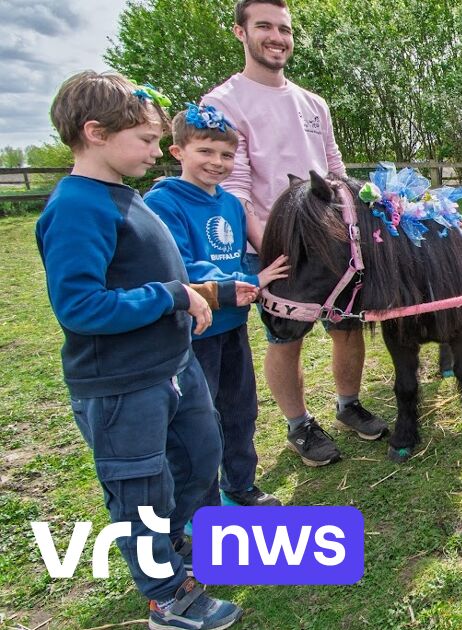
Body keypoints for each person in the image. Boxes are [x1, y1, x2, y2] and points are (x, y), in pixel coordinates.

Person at [36, 71, 242, 629]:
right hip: (124, 385)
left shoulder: (123, 195)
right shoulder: (77, 207)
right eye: (147, 141)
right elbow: (80, 307)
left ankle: (174, 546)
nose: (158, 152)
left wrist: (188, 293)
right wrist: (171, 295)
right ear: (96, 132)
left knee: (201, 458)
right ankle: (167, 597)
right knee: (141, 490)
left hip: (172, 366)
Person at [203, 0, 386, 467]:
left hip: (333, 245)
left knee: (348, 328)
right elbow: (236, 191)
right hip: (275, 249)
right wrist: (274, 252)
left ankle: (348, 405)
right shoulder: (223, 104)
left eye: (284, 29)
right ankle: (299, 424)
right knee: (287, 338)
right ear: (240, 33)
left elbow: (336, 171)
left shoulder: (312, 103)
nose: (276, 37)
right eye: (264, 26)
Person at [145, 104, 290, 508]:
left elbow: (240, 258)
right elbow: (177, 264)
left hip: (232, 327)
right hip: (195, 331)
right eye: (205, 152)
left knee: (240, 411)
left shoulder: (231, 205)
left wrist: (260, 272)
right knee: (198, 422)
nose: (217, 162)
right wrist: (241, 284)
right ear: (178, 153)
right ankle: (199, 503)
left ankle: (239, 485)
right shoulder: (164, 203)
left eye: (226, 155)